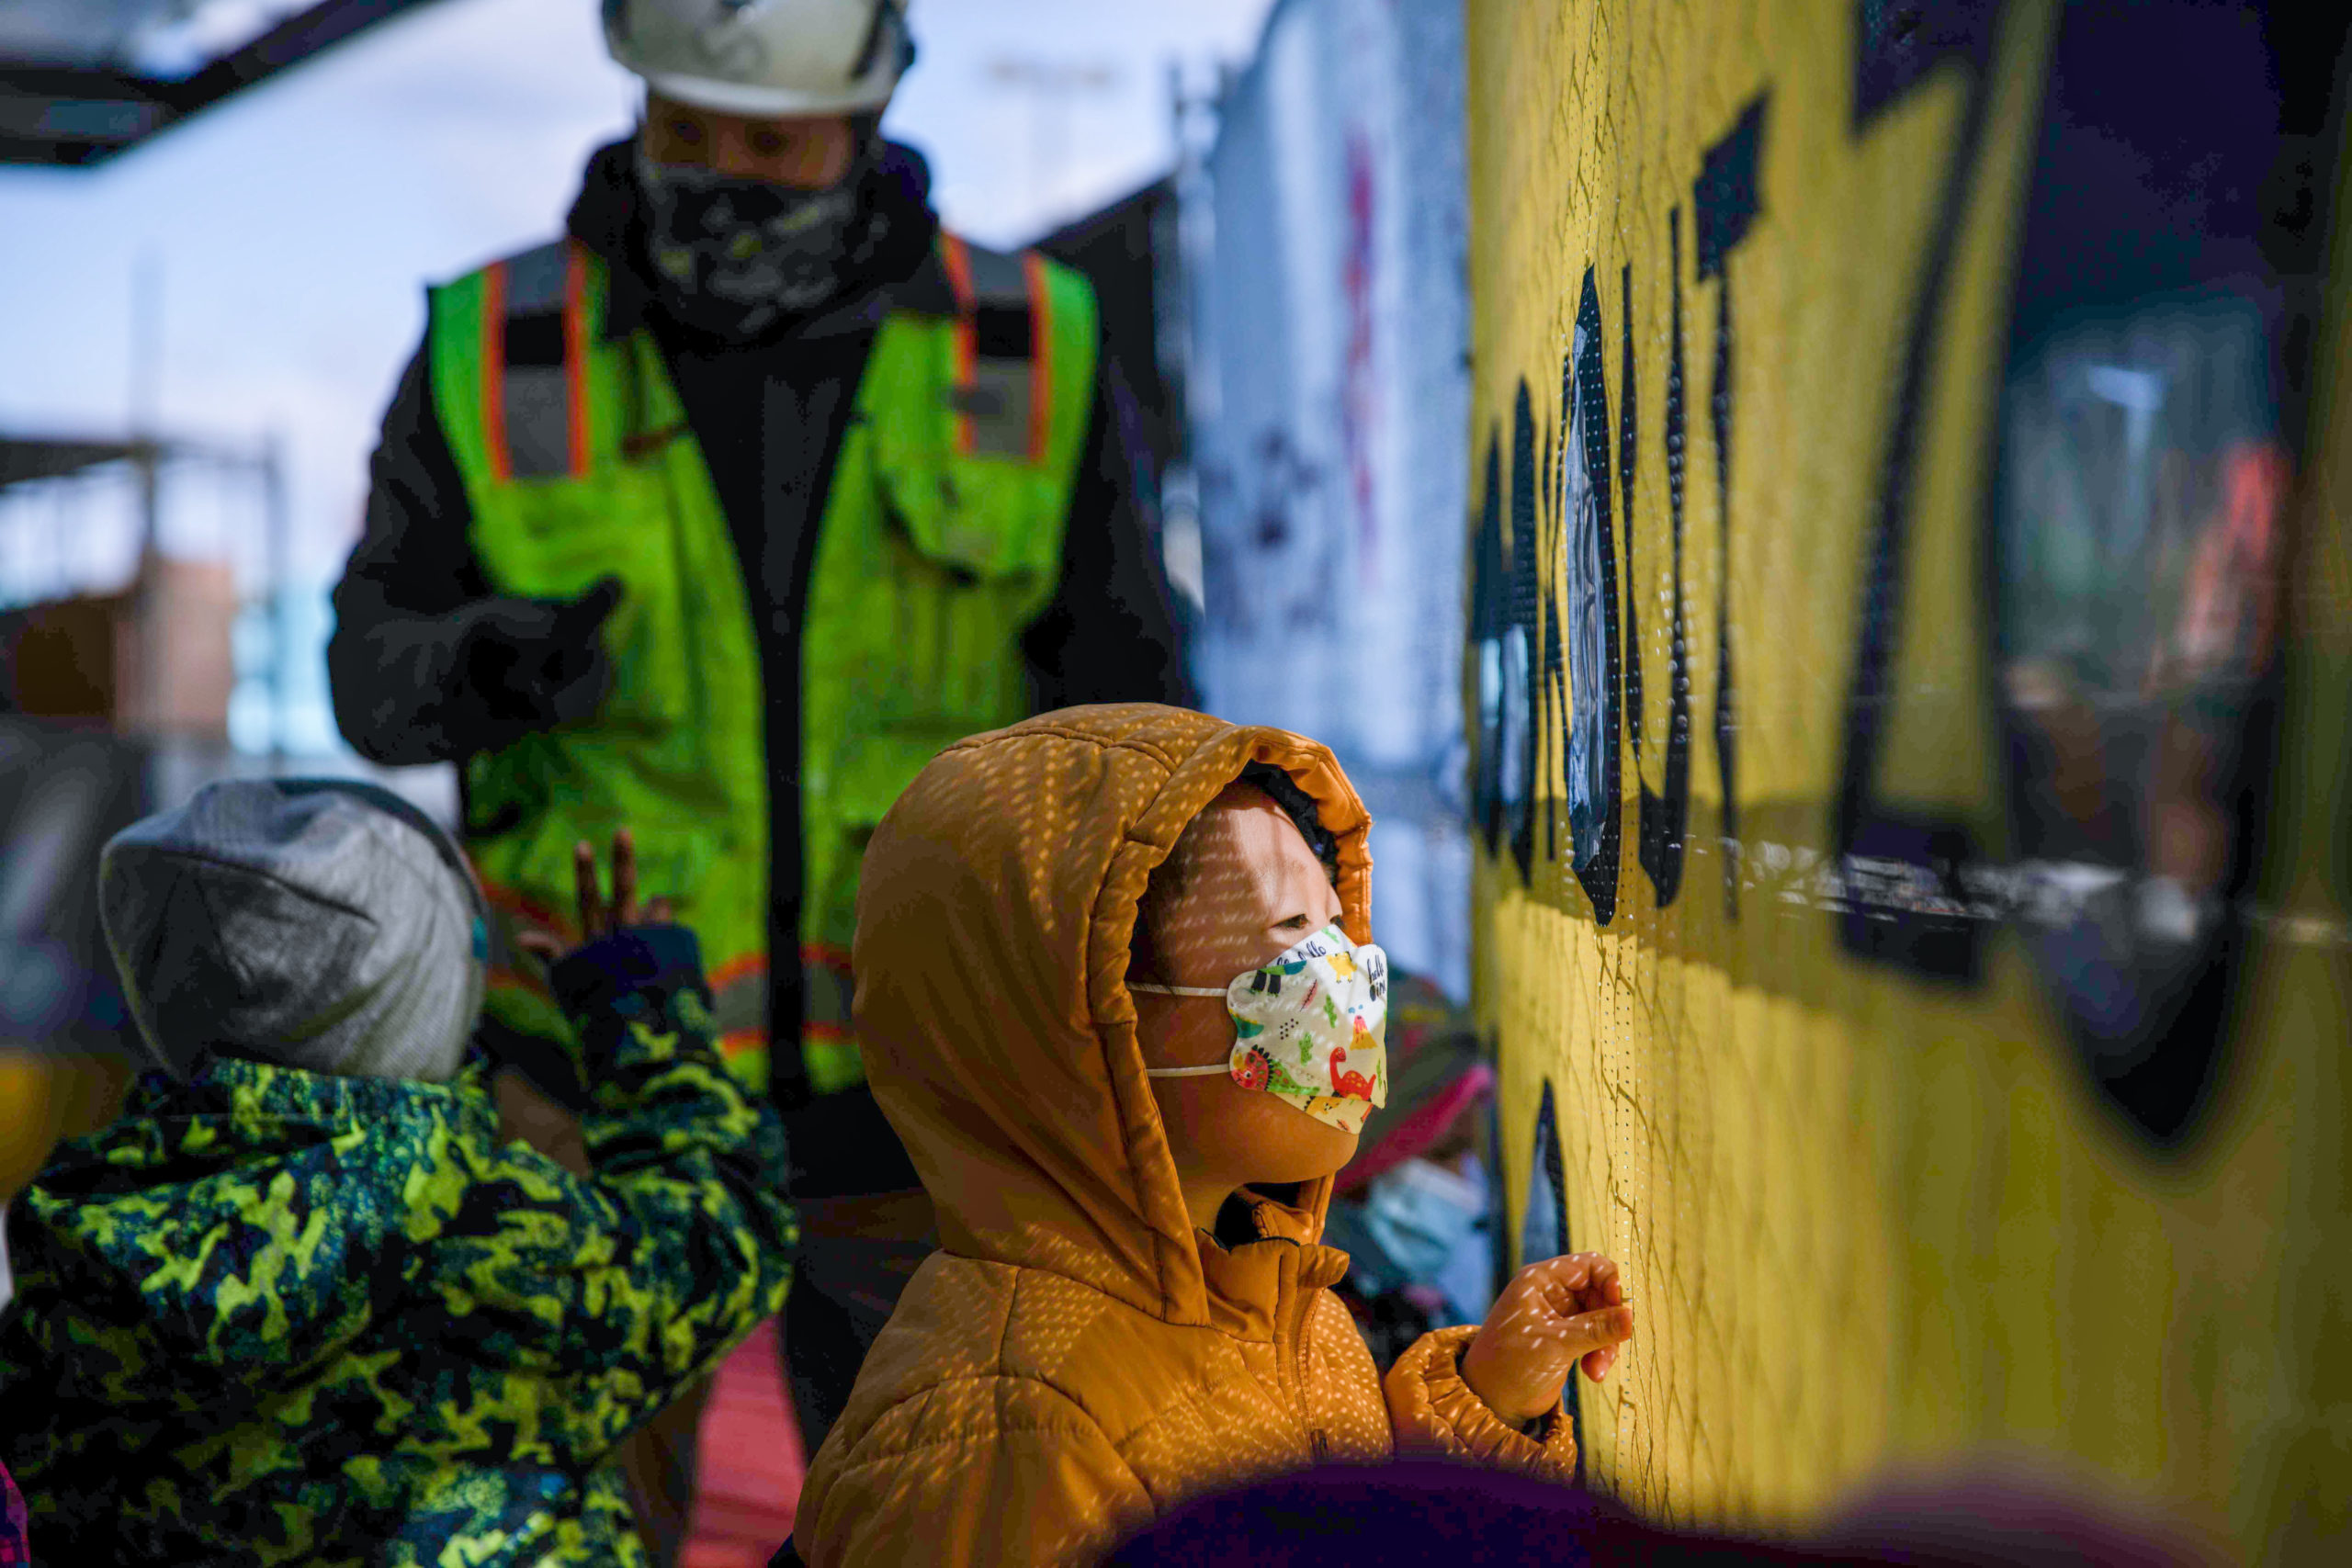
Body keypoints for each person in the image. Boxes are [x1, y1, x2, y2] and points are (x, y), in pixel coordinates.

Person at [325, 0, 1195, 1494]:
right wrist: (481, 661)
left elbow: (1133, 709)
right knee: (555, 1522)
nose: (725, 168)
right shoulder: (498, 347)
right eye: (687, 131)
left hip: (926, 1098)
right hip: (583, 1103)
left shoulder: (1026, 346)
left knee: (942, 1521)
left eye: (773, 143)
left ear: (861, 124)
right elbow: (368, 677)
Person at [786, 705, 1635, 1567]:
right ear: (1092, 1016)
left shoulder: (1285, 1310)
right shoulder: (1012, 1429)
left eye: (1338, 928)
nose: (1348, 979)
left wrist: (1490, 1398)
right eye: (1291, 936)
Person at [0, 780, 795, 1566]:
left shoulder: (80, 1238)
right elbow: (721, 1240)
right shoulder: (485, 1229)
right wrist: (642, 1011)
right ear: (427, 997)